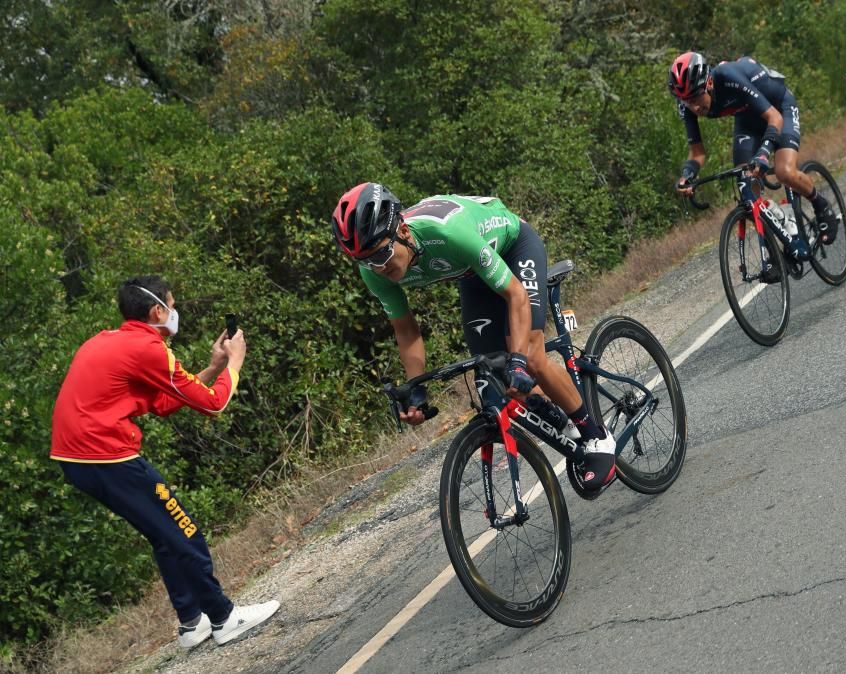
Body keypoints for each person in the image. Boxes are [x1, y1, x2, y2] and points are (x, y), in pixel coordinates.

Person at [332, 183, 617, 491]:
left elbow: (516, 296)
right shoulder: (375, 270)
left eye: (383, 253)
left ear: (402, 231)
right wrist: (416, 388)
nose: (379, 266)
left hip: (513, 248)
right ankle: (561, 420)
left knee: (530, 358)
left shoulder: (447, 234)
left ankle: (596, 438)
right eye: (367, 261)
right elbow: (406, 330)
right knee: (496, 373)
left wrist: (519, 360)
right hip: (472, 272)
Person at [50, 276, 280, 648]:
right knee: (183, 529)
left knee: (163, 534)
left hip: (76, 459)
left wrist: (216, 367)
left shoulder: (113, 342)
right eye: (172, 306)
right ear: (158, 310)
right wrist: (235, 363)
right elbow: (213, 404)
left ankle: (192, 622)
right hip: (104, 454)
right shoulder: (147, 349)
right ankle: (223, 617)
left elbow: (166, 403)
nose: (175, 313)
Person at [670, 51, 840, 271]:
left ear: (709, 83)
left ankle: (821, 206)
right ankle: (776, 250)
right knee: (747, 190)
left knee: (784, 172)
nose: (694, 107)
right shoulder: (688, 106)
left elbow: (774, 118)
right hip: (748, 119)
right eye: (686, 101)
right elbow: (697, 153)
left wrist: (764, 152)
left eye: (696, 98)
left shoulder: (728, 76)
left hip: (779, 108)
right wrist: (688, 175)